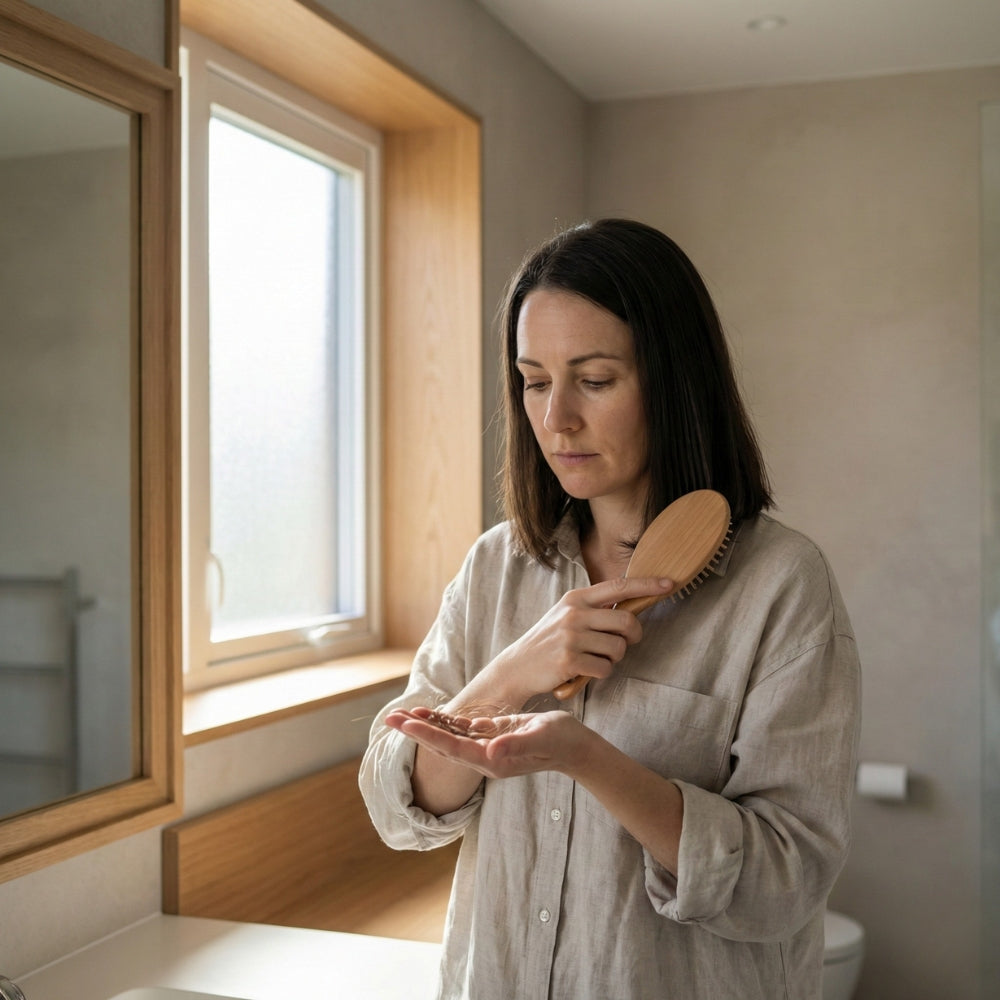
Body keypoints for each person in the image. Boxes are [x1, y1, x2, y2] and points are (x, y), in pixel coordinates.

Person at [359, 218, 861, 1000]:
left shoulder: (781, 585)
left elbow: (783, 881)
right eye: (533, 381)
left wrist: (586, 757)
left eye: (593, 380)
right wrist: (510, 672)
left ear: (673, 378)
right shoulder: (495, 567)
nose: (556, 418)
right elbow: (399, 807)